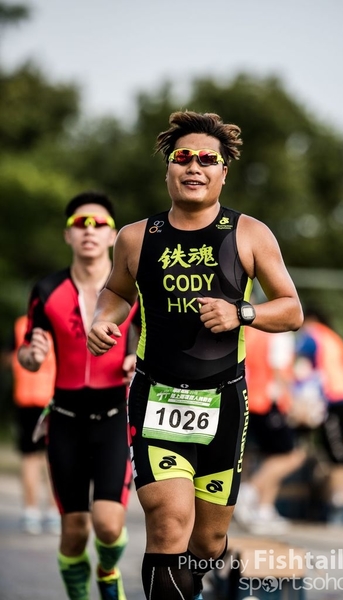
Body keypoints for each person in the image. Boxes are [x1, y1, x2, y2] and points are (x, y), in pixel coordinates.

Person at [87, 110, 303, 600]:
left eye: (208, 159)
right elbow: (116, 292)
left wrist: (241, 312)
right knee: (168, 522)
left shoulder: (250, 233)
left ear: (224, 172)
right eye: (183, 157)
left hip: (225, 402)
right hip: (157, 397)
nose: (194, 167)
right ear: (168, 167)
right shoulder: (136, 237)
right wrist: (103, 320)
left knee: (206, 541)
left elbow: (291, 310)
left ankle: (201, 583)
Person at [18, 191, 138, 600]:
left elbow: (151, 343)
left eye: (99, 224)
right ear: (67, 235)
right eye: (79, 224)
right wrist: (32, 356)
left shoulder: (133, 289)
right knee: (73, 531)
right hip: (65, 420)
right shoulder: (47, 289)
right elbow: (27, 353)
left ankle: (107, 572)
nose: (89, 230)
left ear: (112, 236)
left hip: (114, 417)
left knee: (108, 525)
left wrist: (137, 360)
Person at [234, 326, 306, 535]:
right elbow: (279, 370)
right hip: (269, 402)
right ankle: (249, 492)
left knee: (270, 457)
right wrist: (294, 402)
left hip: (250, 398)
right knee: (292, 456)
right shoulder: (281, 333)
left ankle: (264, 510)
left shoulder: (253, 331)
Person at [8, 314, 59, 535]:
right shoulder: (60, 321)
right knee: (52, 457)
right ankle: (54, 512)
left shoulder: (20, 325)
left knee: (30, 458)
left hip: (26, 398)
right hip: (52, 398)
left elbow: (10, 356)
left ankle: (31, 512)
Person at [295, 305, 343, 464]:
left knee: (333, 443)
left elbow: (301, 367)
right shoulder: (331, 335)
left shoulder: (312, 335)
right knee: (339, 438)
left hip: (332, 393)